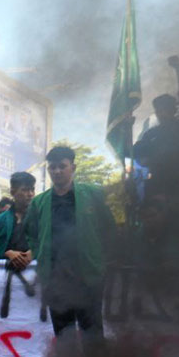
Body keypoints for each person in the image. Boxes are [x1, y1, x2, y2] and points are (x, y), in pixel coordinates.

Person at [26, 145, 116, 340]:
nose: (57, 171)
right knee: (64, 337)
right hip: (55, 280)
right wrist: (39, 254)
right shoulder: (39, 202)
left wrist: (102, 261)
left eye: (62, 166)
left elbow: (109, 229)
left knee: (92, 335)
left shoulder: (93, 195)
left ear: (73, 167)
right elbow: (30, 234)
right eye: (52, 167)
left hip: (88, 278)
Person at [131, 57, 179, 200]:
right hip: (160, 191)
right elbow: (135, 153)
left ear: (173, 110)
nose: (162, 113)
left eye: (166, 109)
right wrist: (126, 127)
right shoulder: (151, 134)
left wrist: (178, 70)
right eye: (159, 110)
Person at [0, 171, 36, 269]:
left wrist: (34, 252)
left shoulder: (41, 217)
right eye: (25, 190)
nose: (30, 194)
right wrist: (8, 253)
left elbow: (51, 245)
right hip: (5, 278)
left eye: (32, 189)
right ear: (13, 192)